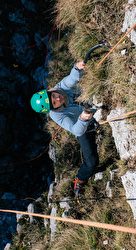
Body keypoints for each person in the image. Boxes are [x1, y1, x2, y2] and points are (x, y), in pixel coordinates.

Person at [30, 61, 99, 196]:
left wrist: (76, 68)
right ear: (53, 108)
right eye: (55, 102)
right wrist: (83, 119)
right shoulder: (57, 115)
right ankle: (80, 178)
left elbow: (71, 79)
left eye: (53, 96)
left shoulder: (59, 88)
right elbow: (76, 130)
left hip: (92, 107)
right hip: (83, 125)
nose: (58, 98)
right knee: (92, 162)